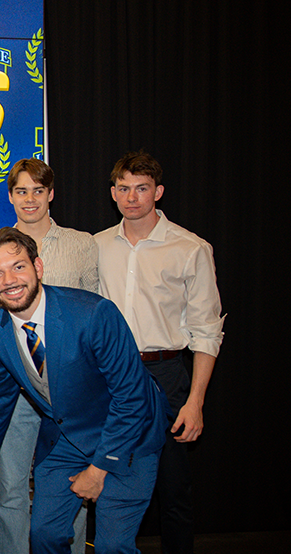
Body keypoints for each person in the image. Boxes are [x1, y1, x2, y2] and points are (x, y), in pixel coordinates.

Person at [0, 228, 168, 554]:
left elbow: (132, 398)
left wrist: (99, 469)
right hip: (68, 437)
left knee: (113, 546)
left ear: (38, 267)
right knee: (44, 535)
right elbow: (2, 395)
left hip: (129, 434)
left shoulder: (93, 313)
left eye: (18, 267)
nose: (9, 280)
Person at [95, 151, 224, 554]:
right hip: (110, 375)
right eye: (124, 188)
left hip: (166, 376)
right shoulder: (96, 246)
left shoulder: (190, 248)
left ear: (158, 192)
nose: (132, 197)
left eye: (142, 188)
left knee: (173, 488)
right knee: (106, 477)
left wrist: (195, 402)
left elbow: (207, 331)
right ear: (113, 193)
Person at [0, 159, 97, 554]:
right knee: (12, 487)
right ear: (10, 197)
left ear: (51, 194)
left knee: (73, 484)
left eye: (38, 190)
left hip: (71, 389)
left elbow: (95, 309)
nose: (30, 199)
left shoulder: (81, 244)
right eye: (21, 191)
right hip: (19, 387)